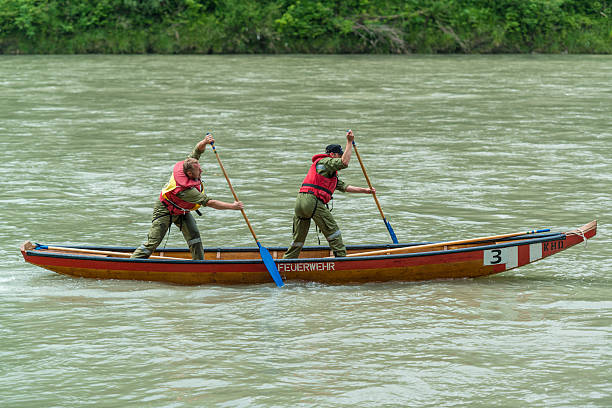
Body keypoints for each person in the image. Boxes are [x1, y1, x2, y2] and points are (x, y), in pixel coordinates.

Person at [131, 133, 243, 260]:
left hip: (181, 211)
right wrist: (233, 207)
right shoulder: (186, 190)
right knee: (153, 243)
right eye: (198, 170)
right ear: (189, 173)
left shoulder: (188, 164)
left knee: (195, 237)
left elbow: (197, 150)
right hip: (165, 209)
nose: (201, 171)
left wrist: (205, 141)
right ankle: (130, 263)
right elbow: (210, 202)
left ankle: (199, 264)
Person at [283, 130, 375, 259]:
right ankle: (342, 260)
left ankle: (288, 260)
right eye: (339, 155)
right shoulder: (325, 162)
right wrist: (349, 142)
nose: (340, 157)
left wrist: (365, 190)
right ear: (332, 154)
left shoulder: (327, 172)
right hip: (311, 200)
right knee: (333, 232)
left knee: (298, 239)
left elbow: (345, 187)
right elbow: (344, 163)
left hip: (300, 201)